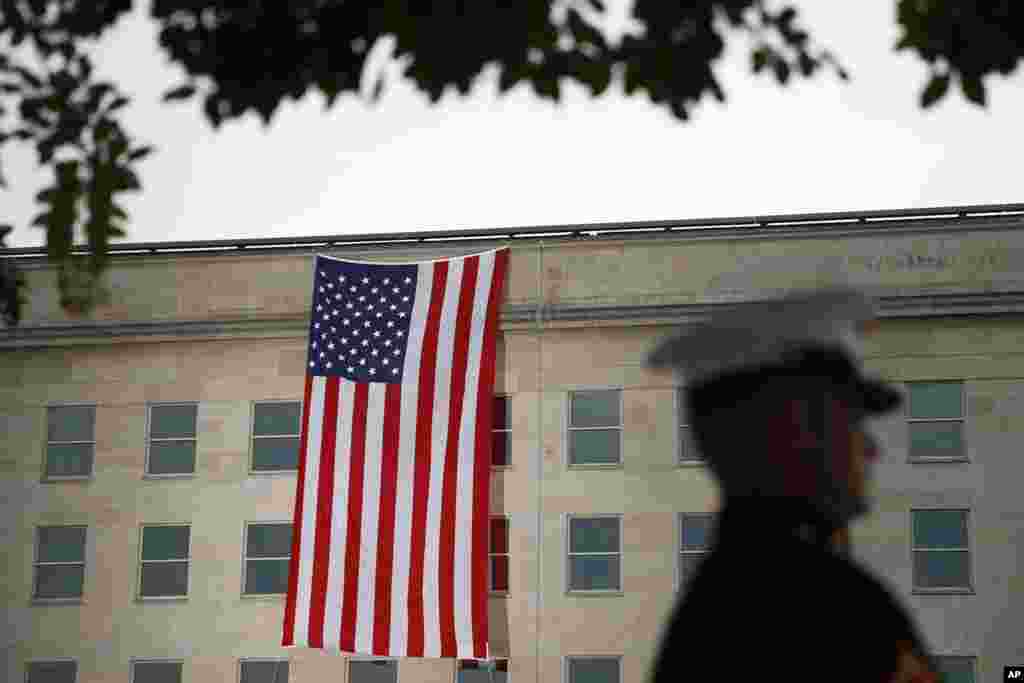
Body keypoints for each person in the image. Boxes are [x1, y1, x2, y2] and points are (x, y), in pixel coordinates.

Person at [646, 287, 939, 683]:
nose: (871, 448)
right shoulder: (826, 607)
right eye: (851, 419)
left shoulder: (721, 604)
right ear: (798, 430)